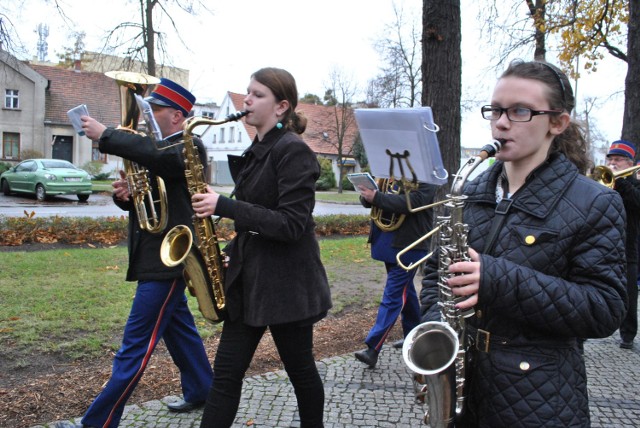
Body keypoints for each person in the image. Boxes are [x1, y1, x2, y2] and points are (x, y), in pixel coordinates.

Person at [418, 60, 627, 426]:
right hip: (464, 391)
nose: (500, 122)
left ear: (557, 123)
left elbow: (604, 308)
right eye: (496, 110)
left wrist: (495, 279)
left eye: (519, 111)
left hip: (540, 399)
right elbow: (437, 272)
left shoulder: (595, 202)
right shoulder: (468, 192)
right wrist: (438, 333)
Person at [190, 67, 332, 428]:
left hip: (287, 285)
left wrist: (225, 206)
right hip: (251, 280)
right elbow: (256, 217)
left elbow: (291, 224)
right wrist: (234, 249)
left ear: (281, 106)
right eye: (247, 92)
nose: (247, 100)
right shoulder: (258, 148)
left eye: (257, 94)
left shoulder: (294, 151)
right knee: (225, 374)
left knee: (300, 371)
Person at [70, 78, 214, 428]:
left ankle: (97, 422)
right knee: (179, 331)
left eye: (156, 111)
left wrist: (106, 135)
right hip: (158, 256)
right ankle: (202, 390)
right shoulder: (160, 147)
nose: (148, 117)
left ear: (177, 116)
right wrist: (127, 196)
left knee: (133, 348)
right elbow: (152, 198)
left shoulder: (188, 145)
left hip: (166, 262)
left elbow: (158, 159)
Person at [353, 179, 437, 368]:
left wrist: (377, 197)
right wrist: (367, 195)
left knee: (394, 294)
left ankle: (373, 347)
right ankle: (414, 337)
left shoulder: (426, 173)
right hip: (387, 240)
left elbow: (413, 202)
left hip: (410, 243)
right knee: (405, 290)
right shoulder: (390, 170)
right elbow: (373, 202)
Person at [604, 139, 640, 350]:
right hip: (605, 243)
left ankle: (628, 334)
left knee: (628, 292)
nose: (613, 163)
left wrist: (621, 182)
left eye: (618, 159)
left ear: (630, 162)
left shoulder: (634, 183)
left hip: (629, 246)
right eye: (611, 159)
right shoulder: (604, 181)